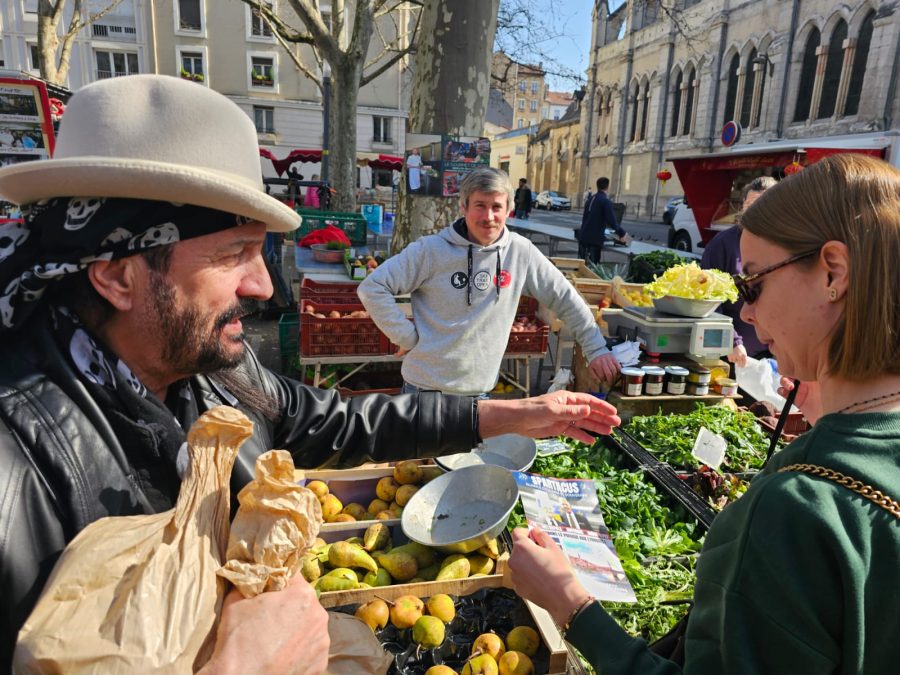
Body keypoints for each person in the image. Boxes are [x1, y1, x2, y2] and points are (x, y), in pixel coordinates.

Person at [0, 75, 623, 670]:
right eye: (232, 255)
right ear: (116, 275)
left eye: (261, 251)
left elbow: (330, 419)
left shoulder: (213, 370)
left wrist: (500, 415)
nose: (264, 285)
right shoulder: (16, 472)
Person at [508, 153, 900, 674]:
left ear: (834, 271)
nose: (746, 312)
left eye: (753, 283)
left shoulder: (798, 510)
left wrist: (571, 606)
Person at [357, 167, 622, 397]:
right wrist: (406, 336)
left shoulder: (521, 252)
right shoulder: (430, 250)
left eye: (497, 207)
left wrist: (595, 348)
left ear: (510, 209)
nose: (488, 217)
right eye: (480, 206)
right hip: (424, 390)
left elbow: (565, 298)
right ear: (463, 207)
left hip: (480, 393)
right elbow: (372, 287)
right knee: (418, 459)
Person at [700, 176, 777, 368]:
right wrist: (732, 341)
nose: (754, 211)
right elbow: (709, 300)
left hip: (773, 352)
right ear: (742, 206)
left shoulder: (783, 245)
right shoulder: (723, 244)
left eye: (762, 205)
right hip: (735, 355)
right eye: (749, 204)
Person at [578, 176, 630, 265]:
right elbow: (612, 221)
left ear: (597, 186)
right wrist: (622, 233)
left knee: (581, 266)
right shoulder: (605, 201)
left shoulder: (591, 199)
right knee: (593, 267)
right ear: (607, 187)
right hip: (594, 239)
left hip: (583, 237)